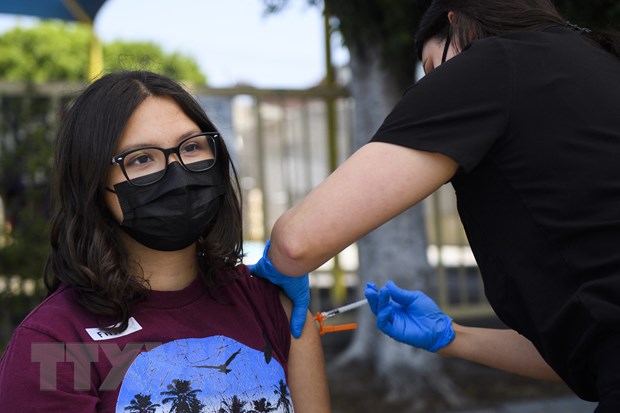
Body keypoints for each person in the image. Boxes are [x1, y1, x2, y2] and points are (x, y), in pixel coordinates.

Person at [249, 0, 620, 411]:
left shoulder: (492, 65)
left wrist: (279, 269)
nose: (437, 85)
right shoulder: (600, 64)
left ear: (456, 21)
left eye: (432, 68)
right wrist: (451, 336)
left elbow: (297, 243)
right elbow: (585, 356)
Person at [0, 71, 330, 413]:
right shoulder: (55, 343)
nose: (178, 172)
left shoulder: (272, 306)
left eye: (191, 147)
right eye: (141, 158)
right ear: (92, 185)